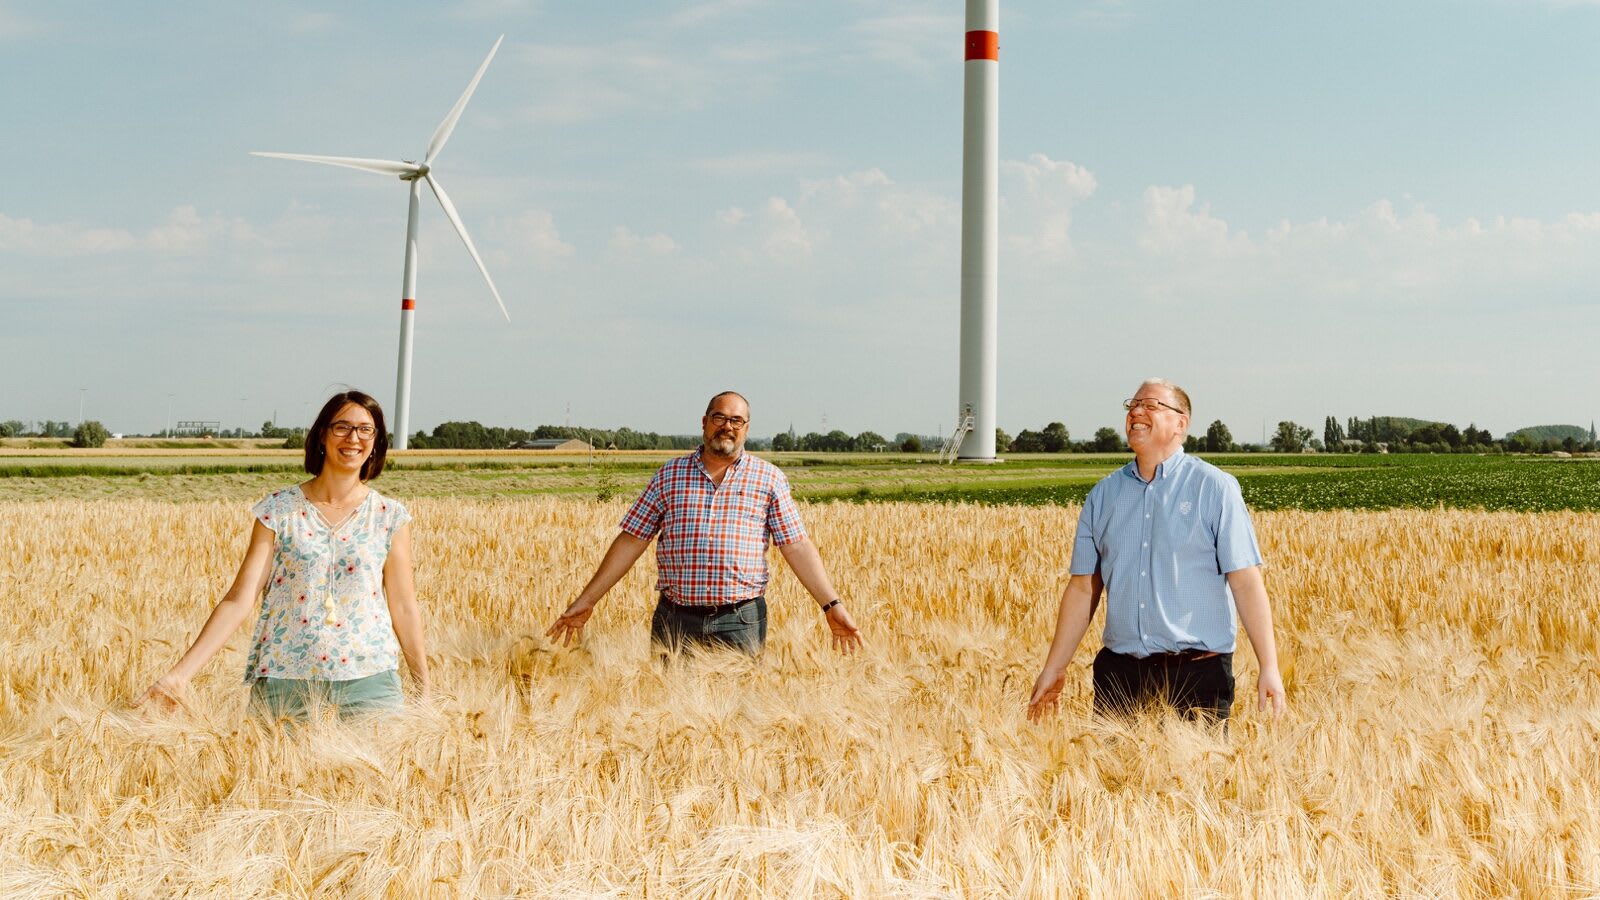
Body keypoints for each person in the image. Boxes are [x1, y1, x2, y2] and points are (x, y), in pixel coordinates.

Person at [137, 390, 429, 720]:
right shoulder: (278, 510)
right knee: (274, 773)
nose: (353, 438)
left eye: (365, 429)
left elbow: (404, 606)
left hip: (370, 683)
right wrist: (179, 676)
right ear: (322, 434)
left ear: (377, 441)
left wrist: (424, 688)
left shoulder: (390, 516)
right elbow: (239, 599)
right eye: (342, 427)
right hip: (285, 682)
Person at [1027, 378, 1287, 723]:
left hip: (1197, 675)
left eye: (1150, 405)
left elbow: (1245, 581)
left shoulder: (1214, 488)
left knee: (1195, 777)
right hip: (1120, 676)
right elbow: (1082, 588)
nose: (1136, 412)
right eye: (1131, 406)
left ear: (1181, 423)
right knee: (1113, 777)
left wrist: (1269, 666)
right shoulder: (1102, 496)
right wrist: (1054, 667)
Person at [547, 390, 864, 657]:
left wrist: (831, 605)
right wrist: (586, 601)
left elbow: (796, 545)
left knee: (739, 718)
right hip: (675, 620)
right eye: (719, 418)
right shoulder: (669, 475)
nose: (727, 426)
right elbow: (632, 540)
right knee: (668, 716)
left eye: (736, 420)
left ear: (746, 429)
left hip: (741, 621)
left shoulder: (769, 479)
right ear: (704, 423)